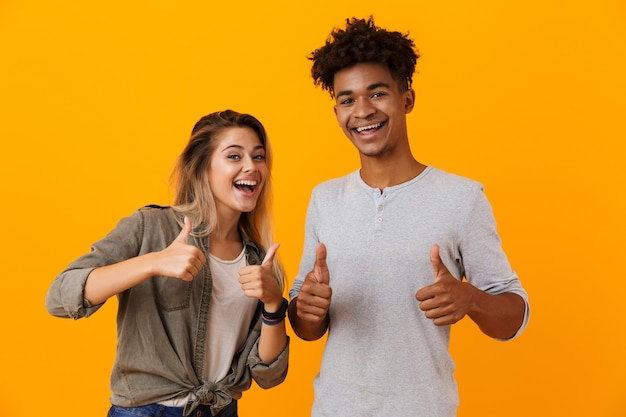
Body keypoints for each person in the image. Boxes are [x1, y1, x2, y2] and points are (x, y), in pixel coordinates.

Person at [287, 17, 530, 416]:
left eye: (377, 93)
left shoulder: (461, 197)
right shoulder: (324, 199)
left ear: (407, 99)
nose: (362, 111)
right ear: (336, 113)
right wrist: (304, 310)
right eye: (347, 100)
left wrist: (470, 299)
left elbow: (514, 316)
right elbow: (307, 325)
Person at [46, 110, 289, 417]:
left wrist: (272, 303)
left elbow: (269, 374)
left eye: (258, 156)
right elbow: (59, 296)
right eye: (234, 156)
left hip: (221, 410)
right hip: (147, 411)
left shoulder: (259, 259)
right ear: (203, 169)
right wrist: (153, 262)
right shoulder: (152, 226)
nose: (251, 167)